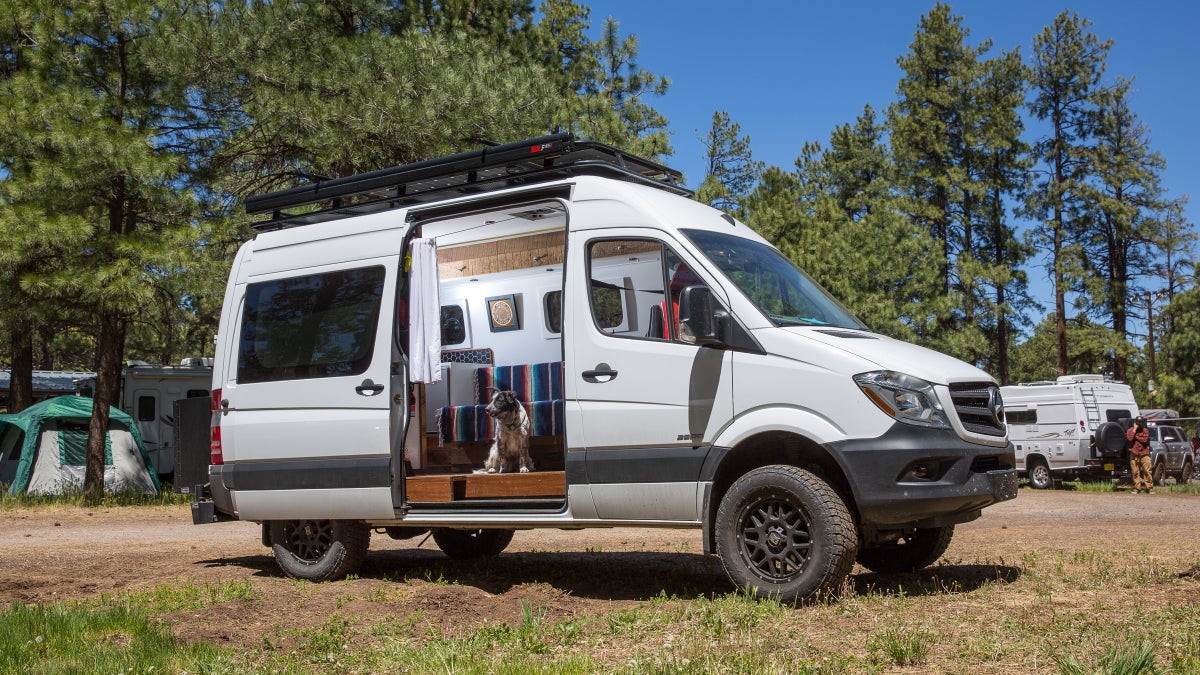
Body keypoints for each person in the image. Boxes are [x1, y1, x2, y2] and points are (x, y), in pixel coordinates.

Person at [1126, 416, 1153, 494]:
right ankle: (1137, 488)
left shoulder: (1146, 430)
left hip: (1144, 453)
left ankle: (1149, 488)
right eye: (1138, 422)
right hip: (1134, 453)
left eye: (1141, 422)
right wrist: (1134, 430)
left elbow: (1144, 440)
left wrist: (1136, 436)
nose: (1139, 424)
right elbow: (1129, 439)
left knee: (1147, 471)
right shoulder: (1130, 430)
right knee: (1135, 471)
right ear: (1135, 422)